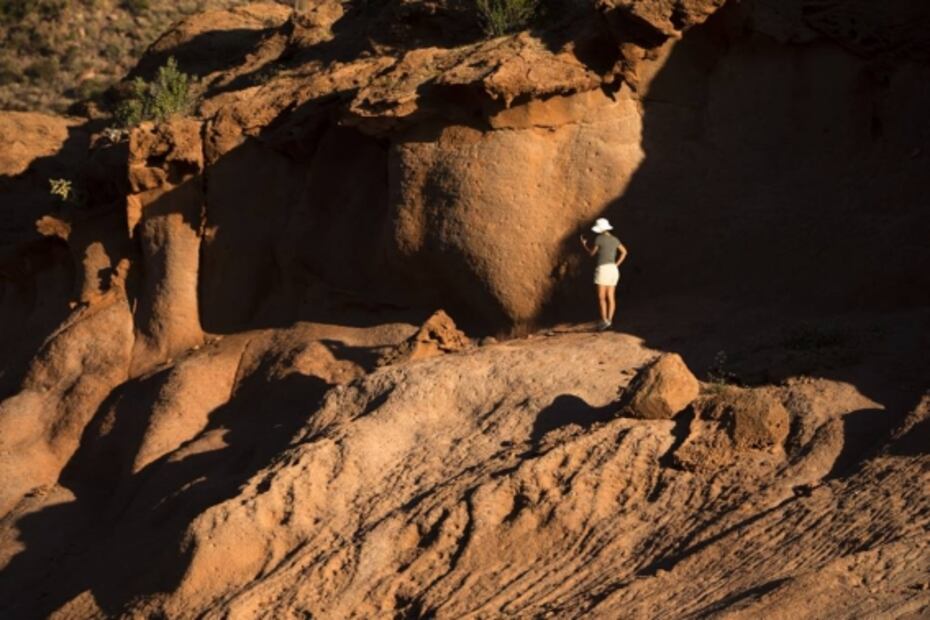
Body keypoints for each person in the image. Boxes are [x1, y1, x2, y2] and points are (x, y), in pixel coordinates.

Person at [580, 217, 628, 331]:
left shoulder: (599, 239)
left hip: (603, 269)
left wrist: (584, 245)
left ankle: (604, 321)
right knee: (610, 296)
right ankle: (609, 321)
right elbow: (625, 252)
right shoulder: (614, 239)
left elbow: (592, 253)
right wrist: (616, 264)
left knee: (601, 297)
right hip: (613, 269)